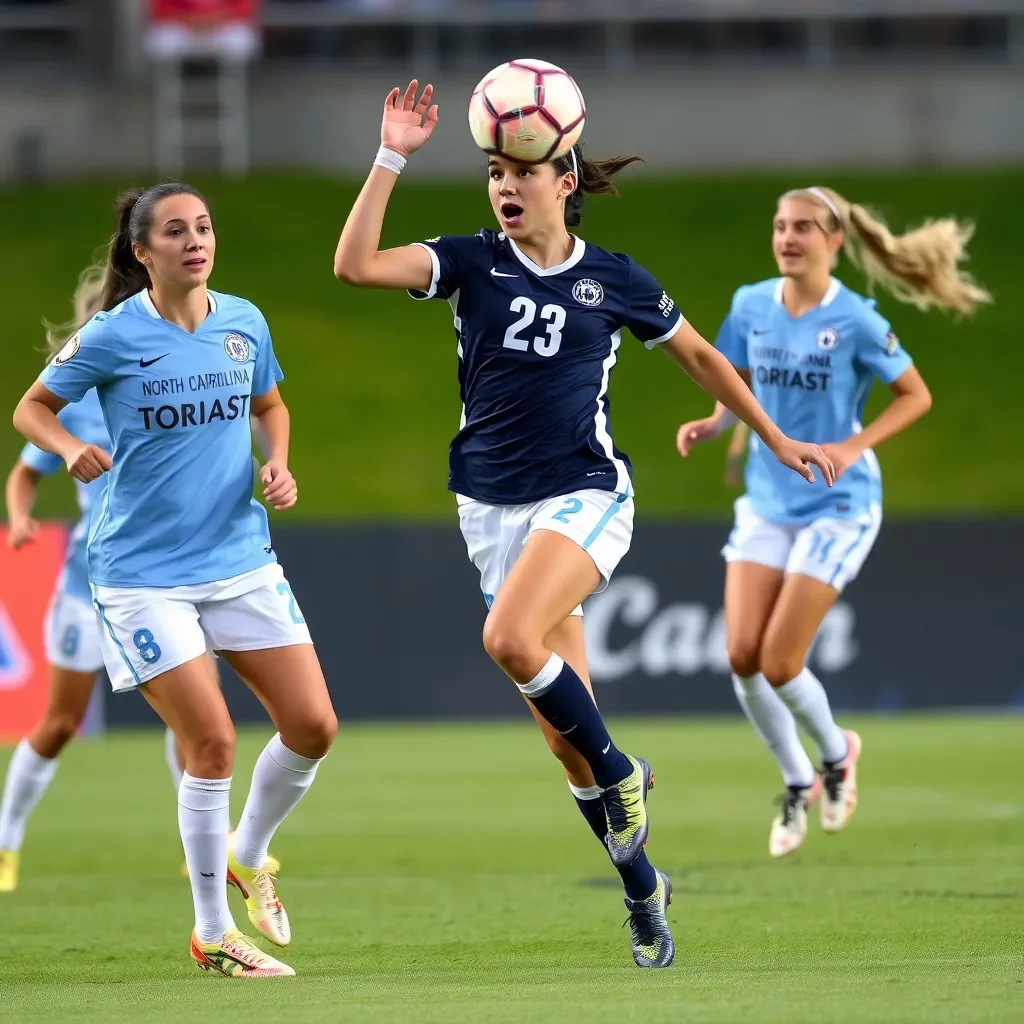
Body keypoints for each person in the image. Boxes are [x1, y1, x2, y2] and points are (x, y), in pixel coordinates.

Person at [332, 80, 834, 968]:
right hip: (488, 509)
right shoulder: (468, 262)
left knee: (510, 638)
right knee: (568, 745)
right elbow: (356, 265)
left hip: (585, 492)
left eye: (521, 171)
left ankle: (625, 775)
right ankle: (644, 889)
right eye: (493, 172)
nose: (505, 187)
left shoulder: (615, 281)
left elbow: (702, 358)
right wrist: (390, 157)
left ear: (565, 179)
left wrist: (776, 435)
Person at [13, 182, 337, 978]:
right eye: (174, 231)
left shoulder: (243, 321)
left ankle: (247, 852)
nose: (195, 240)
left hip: (238, 559)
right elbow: (30, 409)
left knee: (314, 727)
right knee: (212, 743)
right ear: (140, 251)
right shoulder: (113, 335)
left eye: (203, 227)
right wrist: (68, 444)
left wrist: (280, 463)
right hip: (142, 577)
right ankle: (213, 930)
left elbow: (272, 405)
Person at [676, 185, 990, 857]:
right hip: (768, 497)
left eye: (803, 228)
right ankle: (797, 780)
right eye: (780, 226)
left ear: (835, 241)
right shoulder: (750, 302)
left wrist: (852, 447)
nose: (788, 238)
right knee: (740, 658)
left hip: (838, 504)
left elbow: (917, 394)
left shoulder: (857, 321)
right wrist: (715, 421)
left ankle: (837, 755)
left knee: (781, 661)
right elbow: (735, 374)